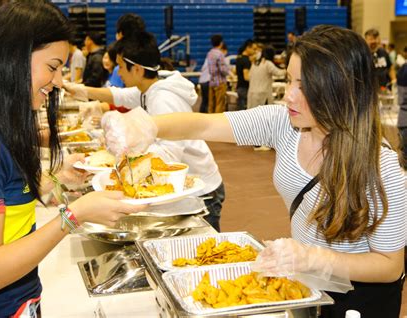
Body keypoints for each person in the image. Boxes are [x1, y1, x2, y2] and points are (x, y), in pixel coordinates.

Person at [101, 25, 406, 318]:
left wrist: (316, 258)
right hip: (308, 286)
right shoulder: (284, 124)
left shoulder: (382, 168)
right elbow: (206, 123)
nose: (289, 95)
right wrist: (149, 126)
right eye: (289, 81)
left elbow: (389, 265)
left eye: (305, 86)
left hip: (359, 298)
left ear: (342, 90)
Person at [0, 2, 143, 316]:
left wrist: (58, 179)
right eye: (52, 66)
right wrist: (74, 216)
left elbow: (1, 202)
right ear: (14, 56)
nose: (58, 81)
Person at [67, 31, 226, 231]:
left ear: (138, 69)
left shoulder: (163, 99)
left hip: (201, 188)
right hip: (184, 183)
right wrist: (80, 90)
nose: (119, 72)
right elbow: (119, 95)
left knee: (201, 241)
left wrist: (127, 157)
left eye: (122, 67)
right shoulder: (147, 89)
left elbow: (171, 152)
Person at [206, 34, 229, 113]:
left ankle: (209, 120)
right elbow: (223, 70)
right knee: (220, 104)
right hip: (220, 82)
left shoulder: (210, 53)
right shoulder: (220, 54)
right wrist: (228, 71)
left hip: (212, 81)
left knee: (211, 104)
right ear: (221, 43)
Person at [235, 39, 255, 111]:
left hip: (239, 87)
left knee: (240, 111)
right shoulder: (246, 60)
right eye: (253, 49)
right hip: (245, 88)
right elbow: (246, 77)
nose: (254, 51)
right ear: (248, 48)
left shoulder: (239, 58)